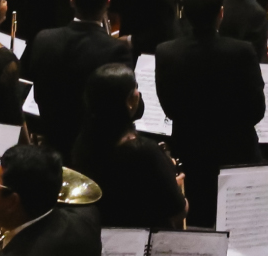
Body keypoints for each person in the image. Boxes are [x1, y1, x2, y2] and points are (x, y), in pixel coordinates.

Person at [156, 0, 266, 227]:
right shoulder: (242, 52)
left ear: (183, 13)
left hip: (191, 150)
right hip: (237, 149)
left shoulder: (166, 52)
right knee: (241, 222)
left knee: (201, 219)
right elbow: (256, 110)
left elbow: (170, 109)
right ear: (221, 14)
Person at [21, 0, 131, 155]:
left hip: (52, 140)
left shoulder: (43, 38)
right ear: (108, 2)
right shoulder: (116, 51)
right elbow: (126, 110)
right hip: (96, 152)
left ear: (72, 1)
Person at [70, 61, 185, 231]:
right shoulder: (145, 152)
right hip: (141, 240)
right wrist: (176, 184)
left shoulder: (82, 144)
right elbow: (179, 212)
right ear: (130, 101)